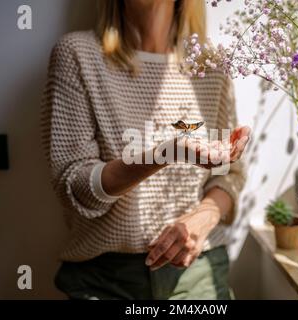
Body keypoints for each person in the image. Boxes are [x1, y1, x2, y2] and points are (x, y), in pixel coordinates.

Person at [41, 0, 250, 300]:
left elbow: (229, 176)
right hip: (106, 278)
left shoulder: (211, 65)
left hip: (196, 272)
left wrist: (204, 216)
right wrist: (166, 152)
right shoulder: (77, 55)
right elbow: (75, 187)